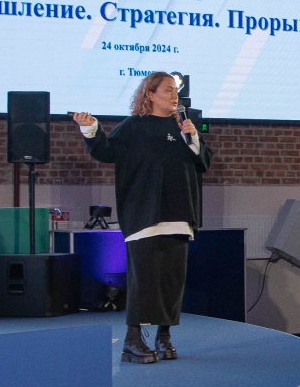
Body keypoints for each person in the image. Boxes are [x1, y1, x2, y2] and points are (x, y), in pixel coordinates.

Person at [72, 72, 212, 363]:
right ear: (150, 94)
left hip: (179, 215)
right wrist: (91, 128)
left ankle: (164, 336)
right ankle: (133, 339)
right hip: (144, 216)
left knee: (172, 282)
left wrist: (193, 137)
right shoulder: (134, 126)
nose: (174, 96)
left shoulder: (183, 126)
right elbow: (106, 151)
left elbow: (203, 162)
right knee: (145, 281)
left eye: (175, 91)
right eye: (167, 90)